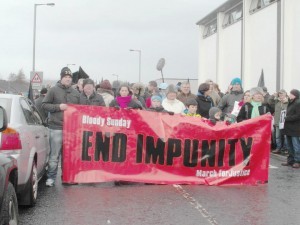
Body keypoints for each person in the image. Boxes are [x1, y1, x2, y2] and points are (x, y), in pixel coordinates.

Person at [42, 67, 80, 187]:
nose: (68, 79)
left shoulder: (76, 93)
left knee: (68, 155)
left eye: (69, 77)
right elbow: (44, 105)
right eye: (66, 77)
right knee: (54, 155)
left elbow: (81, 109)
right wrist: (58, 107)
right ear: (61, 78)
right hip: (56, 127)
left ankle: (67, 177)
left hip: (71, 129)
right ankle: (51, 177)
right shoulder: (53, 90)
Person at [281, 89, 300, 168]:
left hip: (295, 128)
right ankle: (290, 160)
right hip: (289, 128)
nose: (289, 95)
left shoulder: (298, 103)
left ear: (294, 95)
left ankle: (297, 161)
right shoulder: (291, 102)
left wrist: (287, 118)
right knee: (289, 145)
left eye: (291, 94)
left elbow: (298, 116)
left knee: (296, 146)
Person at [268, 89, 289, 154]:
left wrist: (287, 100)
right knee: (278, 136)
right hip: (277, 122)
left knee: (285, 137)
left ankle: (285, 149)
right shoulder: (276, 102)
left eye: (282, 93)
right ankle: (278, 148)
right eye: (279, 93)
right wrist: (272, 96)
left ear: (285, 94)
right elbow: (269, 101)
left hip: (286, 122)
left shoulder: (289, 102)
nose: (281, 95)